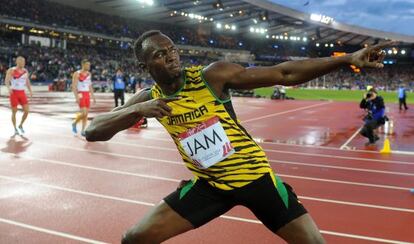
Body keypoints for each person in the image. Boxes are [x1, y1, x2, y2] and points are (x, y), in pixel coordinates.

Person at [85, 30, 392, 243]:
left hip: (257, 180)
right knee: (134, 238)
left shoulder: (211, 76)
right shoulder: (148, 97)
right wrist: (138, 110)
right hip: (209, 187)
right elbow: (93, 131)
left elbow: (283, 74)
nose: (171, 57)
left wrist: (344, 59)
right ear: (144, 65)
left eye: (172, 50)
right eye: (160, 55)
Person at [4, 56, 33, 135]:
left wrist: (30, 91)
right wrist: (8, 88)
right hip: (14, 93)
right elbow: (6, 80)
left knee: (26, 111)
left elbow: (27, 82)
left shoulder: (25, 71)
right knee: (14, 112)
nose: (23, 63)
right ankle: (15, 128)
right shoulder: (12, 70)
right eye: (21, 61)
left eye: (24, 62)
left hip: (22, 93)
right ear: (17, 62)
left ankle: (20, 125)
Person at [71, 59, 96, 137]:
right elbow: (74, 86)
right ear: (83, 65)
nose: (89, 66)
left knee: (86, 115)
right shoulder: (77, 73)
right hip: (80, 94)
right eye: (87, 65)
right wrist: (76, 97)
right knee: (84, 113)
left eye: (89, 65)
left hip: (87, 94)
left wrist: (93, 96)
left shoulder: (89, 74)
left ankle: (83, 131)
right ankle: (74, 123)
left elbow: (90, 86)